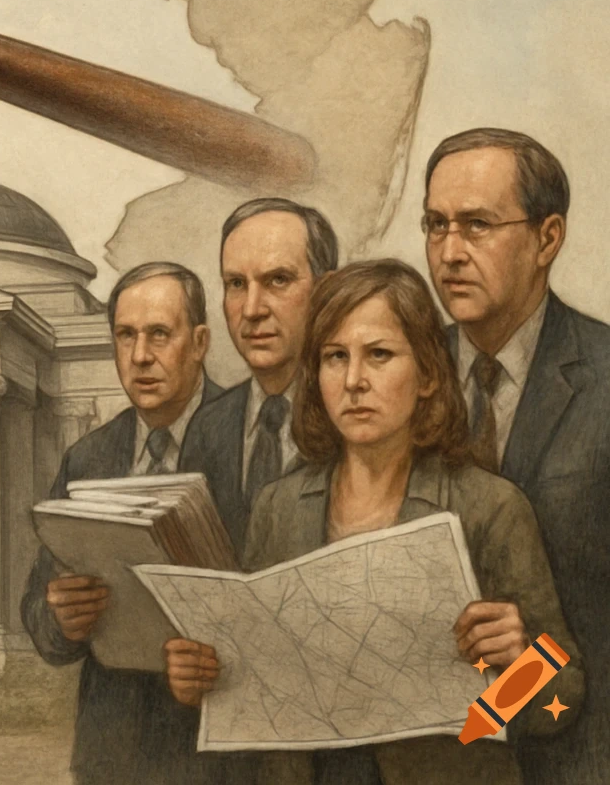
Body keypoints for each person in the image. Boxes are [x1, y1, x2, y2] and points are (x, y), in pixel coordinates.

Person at [165, 259, 584, 785]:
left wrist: (517, 660)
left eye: (379, 355)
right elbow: (258, 688)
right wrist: (202, 678)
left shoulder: (489, 506)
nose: (355, 381)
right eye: (335, 357)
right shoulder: (278, 506)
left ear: (429, 374)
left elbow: (560, 708)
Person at [422, 128, 610, 784]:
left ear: (547, 238)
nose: (449, 253)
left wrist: (530, 665)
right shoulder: (397, 380)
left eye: (477, 225)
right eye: (436, 225)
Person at [22, 262, 245, 784]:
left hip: (221, 758)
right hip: (112, 754)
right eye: (125, 336)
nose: (140, 356)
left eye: (160, 335)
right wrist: (62, 619)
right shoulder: (87, 458)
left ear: (200, 342)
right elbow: (38, 615)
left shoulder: (247, 436)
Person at [180, 197, 339, 552]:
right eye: (236, 284)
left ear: (326, 291)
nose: (251, 310)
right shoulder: (207, 426)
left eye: (278, 280)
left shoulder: (354, 415)